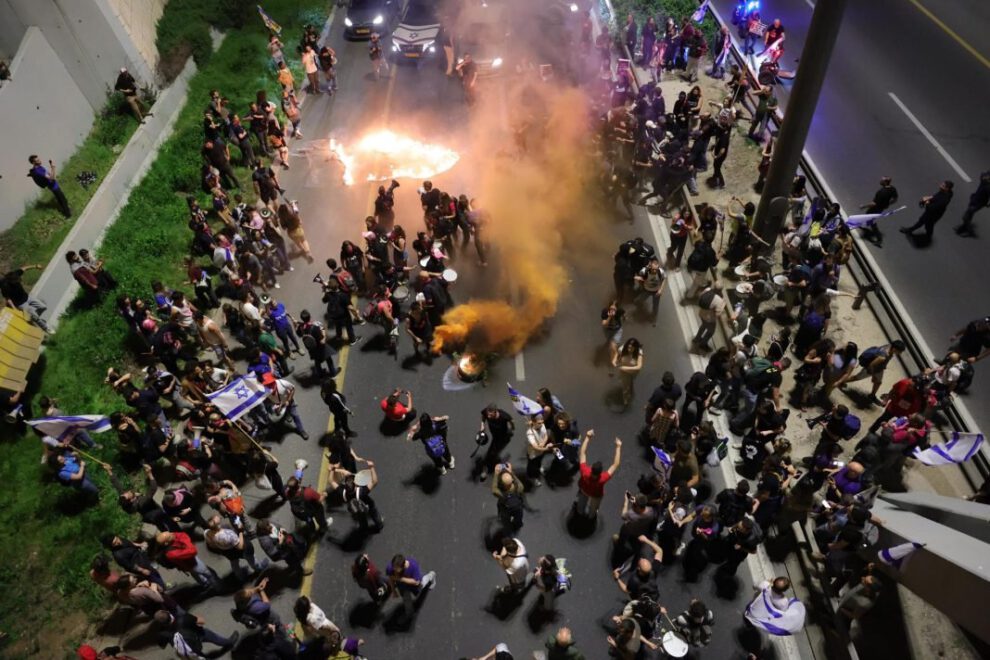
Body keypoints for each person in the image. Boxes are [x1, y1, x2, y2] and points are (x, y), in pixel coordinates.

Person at [574, 431, 622, 519]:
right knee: (594, 507)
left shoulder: (585, 471)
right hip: (596, 495)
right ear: (600, 472)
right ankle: (591, 516)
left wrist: (588, 437)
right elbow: (615, 464)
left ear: (591, 468)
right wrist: (618, 447)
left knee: (581, 504)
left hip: (584, 490)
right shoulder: (603, 478)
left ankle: (580, 512)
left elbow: (582, 453)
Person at [327, 460, 384, 532]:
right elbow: (374, 481)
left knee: (361, 518)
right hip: (368, 505)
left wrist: (332, 470)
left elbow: (331, 481)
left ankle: (364, 528)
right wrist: (371, 467)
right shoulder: (361, 492)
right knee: (374, 513)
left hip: (358, 509)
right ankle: (379, 524)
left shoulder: (343, 493)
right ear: (355, 486)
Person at [154, 610, 239, 657]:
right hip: (199, 634)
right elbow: (202, 621)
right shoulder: (183, 618)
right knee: (216, 638)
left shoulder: (161, 634)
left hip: (188, 647)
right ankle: (229, 642)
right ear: (169, 614)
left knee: (198, 655)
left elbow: (162, 646)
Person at [387, 553, 437, 621]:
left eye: (396, 569)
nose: (394, 570)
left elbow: (417, 582)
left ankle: (431, 575)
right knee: (406, 599)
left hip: (416, 583)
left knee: (423, 583)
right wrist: (393, 591)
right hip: (403, 586)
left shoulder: (413, 566)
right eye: (394, 568)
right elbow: (391, 578)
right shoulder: (391, 568)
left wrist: (400, 579)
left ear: (404, 566)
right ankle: (409, 614)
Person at [479, 404, 515, 481]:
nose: (488, 416)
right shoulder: (486, 412)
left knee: (491, 453)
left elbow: (511, 420)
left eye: (490, 415)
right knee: (495, 451)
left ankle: (486, 468)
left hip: (502, 437)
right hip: (495, 435)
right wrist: (482, 425)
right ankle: (494, 457)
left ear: (495, 412)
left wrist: (512, 428)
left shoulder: (503, 416)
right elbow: (483, 417)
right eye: (488, 414)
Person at [955, 170, 990, 237]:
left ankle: (970, 231)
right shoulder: (985, 179)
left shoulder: (988, 187)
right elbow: (982, 174)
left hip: (979, 203)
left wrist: (988, 204)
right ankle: (961, 228)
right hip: (974, 198)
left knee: (965, 217)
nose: (985, 177)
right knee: (969, 215)